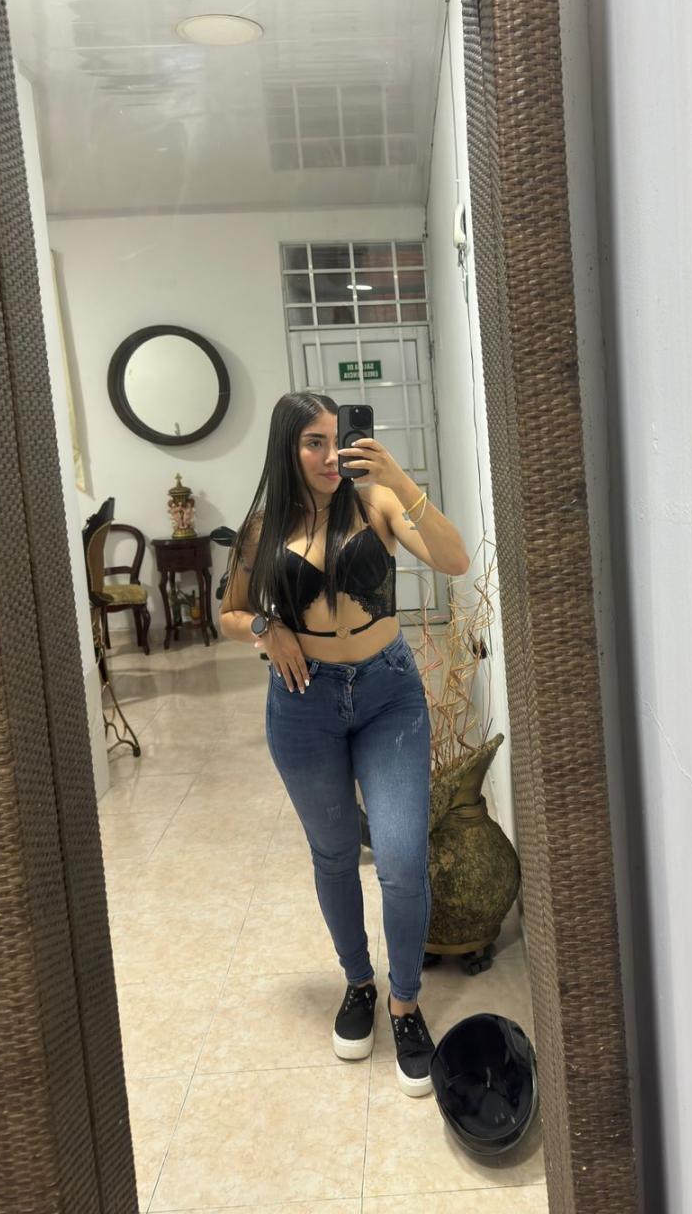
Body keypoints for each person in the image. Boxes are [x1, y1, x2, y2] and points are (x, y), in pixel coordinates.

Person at [219, 391, 469, 1096]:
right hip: (303, 702)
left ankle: (405, 1003)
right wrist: (267, 629)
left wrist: (400, 479)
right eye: (314, 443)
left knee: (401, 858)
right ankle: (359, 982)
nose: (332, 456)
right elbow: (229, 613)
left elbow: (454, 561)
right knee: (332, 852)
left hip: (389, 694)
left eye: (338, 440)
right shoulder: (263, 528)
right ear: (288, 448)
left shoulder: (378, 502)